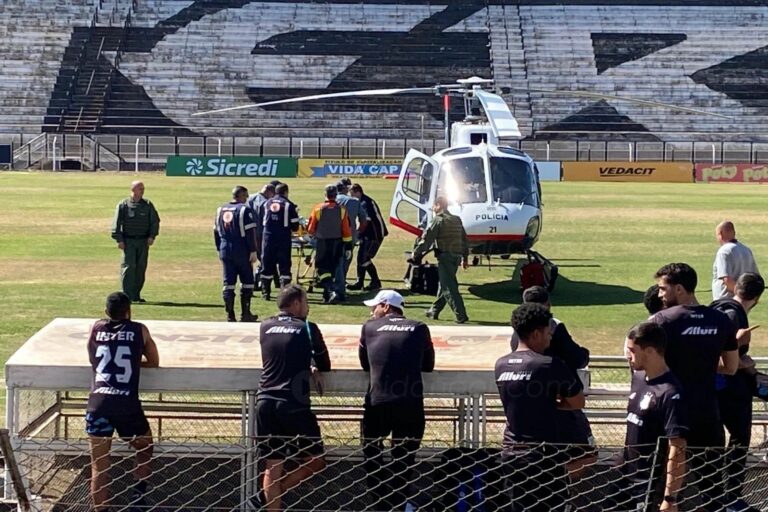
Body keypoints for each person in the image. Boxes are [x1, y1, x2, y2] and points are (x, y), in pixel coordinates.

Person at [651, 262, 738, 510]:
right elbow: (731, 367)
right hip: (707, 412)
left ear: (679, 289)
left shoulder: (660, 321)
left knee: (657, 484)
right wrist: (704, 366)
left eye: (662, 288)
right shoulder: (721, 321)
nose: (659, 294)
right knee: (711, 487)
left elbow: (644, 365)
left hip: (668, 414)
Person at [495, 303, 585, 512]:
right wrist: (553, 404)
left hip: (511, 451)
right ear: (536, 333)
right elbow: (578, 401)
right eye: (547, 332)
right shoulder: (549, 364)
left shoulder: (501, 364)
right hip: (544, 456)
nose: (550, 337)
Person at [256, 285, 330, 511]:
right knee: (316, 460)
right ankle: (263, 499)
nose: (308, 307)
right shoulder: (308, 327)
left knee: (272, 466)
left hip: (265, 401)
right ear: (297, 303)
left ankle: (269, 500)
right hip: (293, 403)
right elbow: (325, 364)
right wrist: (312, 366)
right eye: (306, 302)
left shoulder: (265, 326)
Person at [358, 290, 434, 511]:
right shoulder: (419, 327)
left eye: (375, 307)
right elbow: (428, 365)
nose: (372, 312)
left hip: (377, 402)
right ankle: (398, 505)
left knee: (372, 455)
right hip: (410, 403)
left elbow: (365, 364)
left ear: (386, 306)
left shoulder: (369, 328)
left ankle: (382, 504)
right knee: (403, 461)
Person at [86, 292, 160, 512]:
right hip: (126, 405)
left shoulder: (96, 328)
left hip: (98, 404)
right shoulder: (139, 329)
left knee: (99, 467)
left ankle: (102, 510)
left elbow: (93, 359)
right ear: (129, 310)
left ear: (106, 311)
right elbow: (154, 361)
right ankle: (138, 498)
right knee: (145, 448)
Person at [510, 286, 594, 480]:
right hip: (562, 403)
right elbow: (577, 357)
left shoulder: (518, 331)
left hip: (526, 409)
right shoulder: (554, 326)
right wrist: (584, 353)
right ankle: (561, 484)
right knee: (587, 453)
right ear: (548, 305)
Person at [617, 322, 688, 512]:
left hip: (650, 485)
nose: (628, 356)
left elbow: (678, 448)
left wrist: (670, 497)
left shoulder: (670, 393)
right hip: (625, 478)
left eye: (632, 351)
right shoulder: (639, 377)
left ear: (649, 351)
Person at [711, 272, 764, 512]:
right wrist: (745, 364)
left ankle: (714, 496)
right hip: (730, 390)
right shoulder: (735, 316)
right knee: (739, 441)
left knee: (713, 443)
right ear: (758, 298)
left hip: (710, 390)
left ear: (735, 288)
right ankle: (731, 497)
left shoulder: (719, 308)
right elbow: (722, 355)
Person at [411, 196, 470, 324]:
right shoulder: (456, 219)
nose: (433, 208)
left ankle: (461, 314)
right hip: (456, 256)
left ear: (438, 205)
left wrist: (416, 252)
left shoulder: (438, 220)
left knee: (448, 287)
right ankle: (434, 310)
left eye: (434, 206)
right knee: (444, 284)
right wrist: (465, 258)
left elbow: (427, 240)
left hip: (445, 256)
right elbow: (464, 240)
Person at [214, 186, 258, 322]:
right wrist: (253, 250)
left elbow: (215, 231)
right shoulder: (245, 210)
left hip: (225, 248)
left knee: (228, 283)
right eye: (246, 196)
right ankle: (245, 314)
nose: (247, 199)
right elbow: (250, 233)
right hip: (241, 249)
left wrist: (219, 248)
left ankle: (230, 315)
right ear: (241, 196)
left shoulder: (220, 210)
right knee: (247, 282)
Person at [111, 181, 160, 302]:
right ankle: (127, 296)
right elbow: (116, 224)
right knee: (128, 268)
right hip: (129, 241)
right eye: (140, 189)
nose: (142, 191)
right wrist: (119, 239)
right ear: (133, 189)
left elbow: (155, 221)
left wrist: (152, 236)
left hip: (143, 241)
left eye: (143, 188)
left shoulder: (148, 205)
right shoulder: (123, 205)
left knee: (140, 268)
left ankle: (136, 295)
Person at [306, 184, 352, 304]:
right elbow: (346, 229)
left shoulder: (318, 209)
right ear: (336, 195)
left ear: (325, 195)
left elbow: (311, 228)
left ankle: (332, 290)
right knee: (332, 269)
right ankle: (328, 294)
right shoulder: (342, 210)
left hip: (323, 243)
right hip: (337, 243)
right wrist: (348, 246)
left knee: (321, 269)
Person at [259, 183, 300, 300]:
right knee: (284, 266)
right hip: (283, 239)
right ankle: (284, 294)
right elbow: (295, 226)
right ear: (286, 192)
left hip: (267, 238)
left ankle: (265, 293)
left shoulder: (267, 203)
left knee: (266, 265)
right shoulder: (289, 205)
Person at [348, 183, 387, 292]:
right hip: (369, 234)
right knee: (362, 258)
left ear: (358, 192)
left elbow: (366, 222)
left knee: (364, 258)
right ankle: (360, 282)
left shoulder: (365, 203)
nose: (351, 197)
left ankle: (375, 281)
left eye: (352, 194)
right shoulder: (362, 201)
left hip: (374, 234)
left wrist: (357, 235)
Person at [334, 180, 368, 300]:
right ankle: (340, 288)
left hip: (333, 236)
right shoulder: (354, 201)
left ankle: (336, 286)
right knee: (345, 261)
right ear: (345, 189)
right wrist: (357, 233)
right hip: (350, 236)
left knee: (335, 261)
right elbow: (364, 220)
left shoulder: (332, 200)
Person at [712, 221, 759, 300]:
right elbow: (755, 278)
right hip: (743, 303)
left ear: (720, 234)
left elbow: (727, 280)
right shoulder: (746, 250)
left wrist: (740, 295)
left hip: (725, 302)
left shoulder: (723, 251)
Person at [248, 183, 276, 286]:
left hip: (247, 234)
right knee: (264, 259)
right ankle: (258, 282)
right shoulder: (265, 203)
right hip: (260, 234)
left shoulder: (249, 197)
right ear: (269, 192)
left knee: (249, 260)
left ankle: (251, 282)